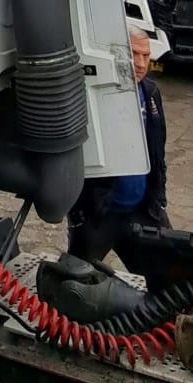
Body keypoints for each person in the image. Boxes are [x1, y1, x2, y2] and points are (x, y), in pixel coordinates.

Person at [67, 23, 169, 281]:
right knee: (75, 282)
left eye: (146, 55)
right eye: (134, 54)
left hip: (142, 209)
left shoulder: (151, 93)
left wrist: (158, 197)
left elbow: (158, 150)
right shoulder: (94, 92)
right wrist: (78, 210)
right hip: (101, 212)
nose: (141, 63)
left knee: (168, 277)